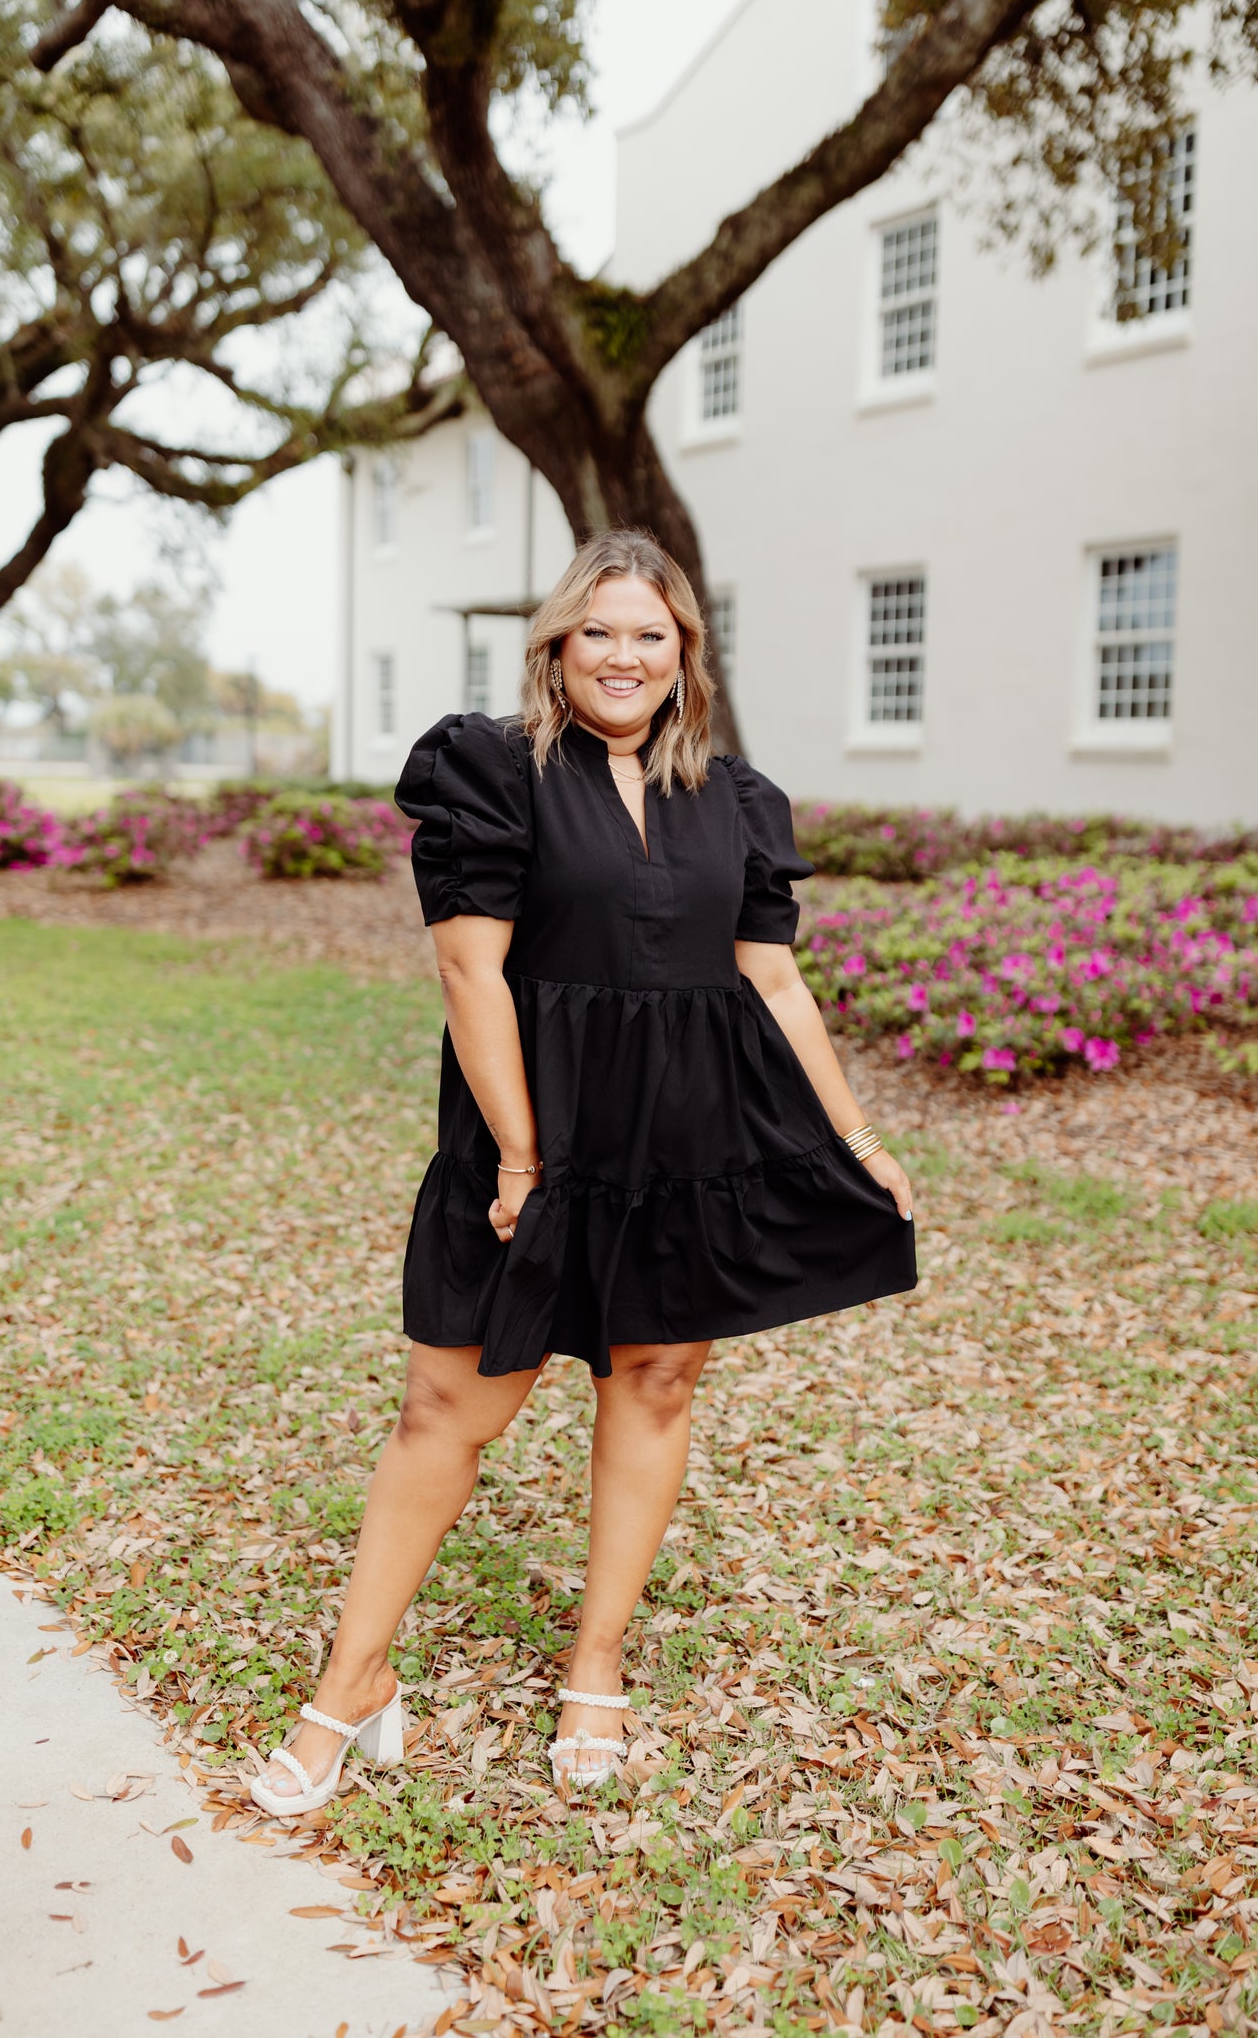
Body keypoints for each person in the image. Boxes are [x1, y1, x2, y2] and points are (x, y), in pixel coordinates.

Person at [249, 528, 915, 1814]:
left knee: (656, 1383)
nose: (622, 655)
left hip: (686, 1144)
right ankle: (352, 1682)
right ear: (556, 643)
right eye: (596, 630)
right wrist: (514, 1151)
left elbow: (771, 982)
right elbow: (467, 970)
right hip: (530, 1138)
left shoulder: (732, 800)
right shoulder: (491, 770)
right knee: (449, 1409)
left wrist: (859, 1141)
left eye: (648, 635)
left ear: (684, 658)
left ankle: (595, 1665)